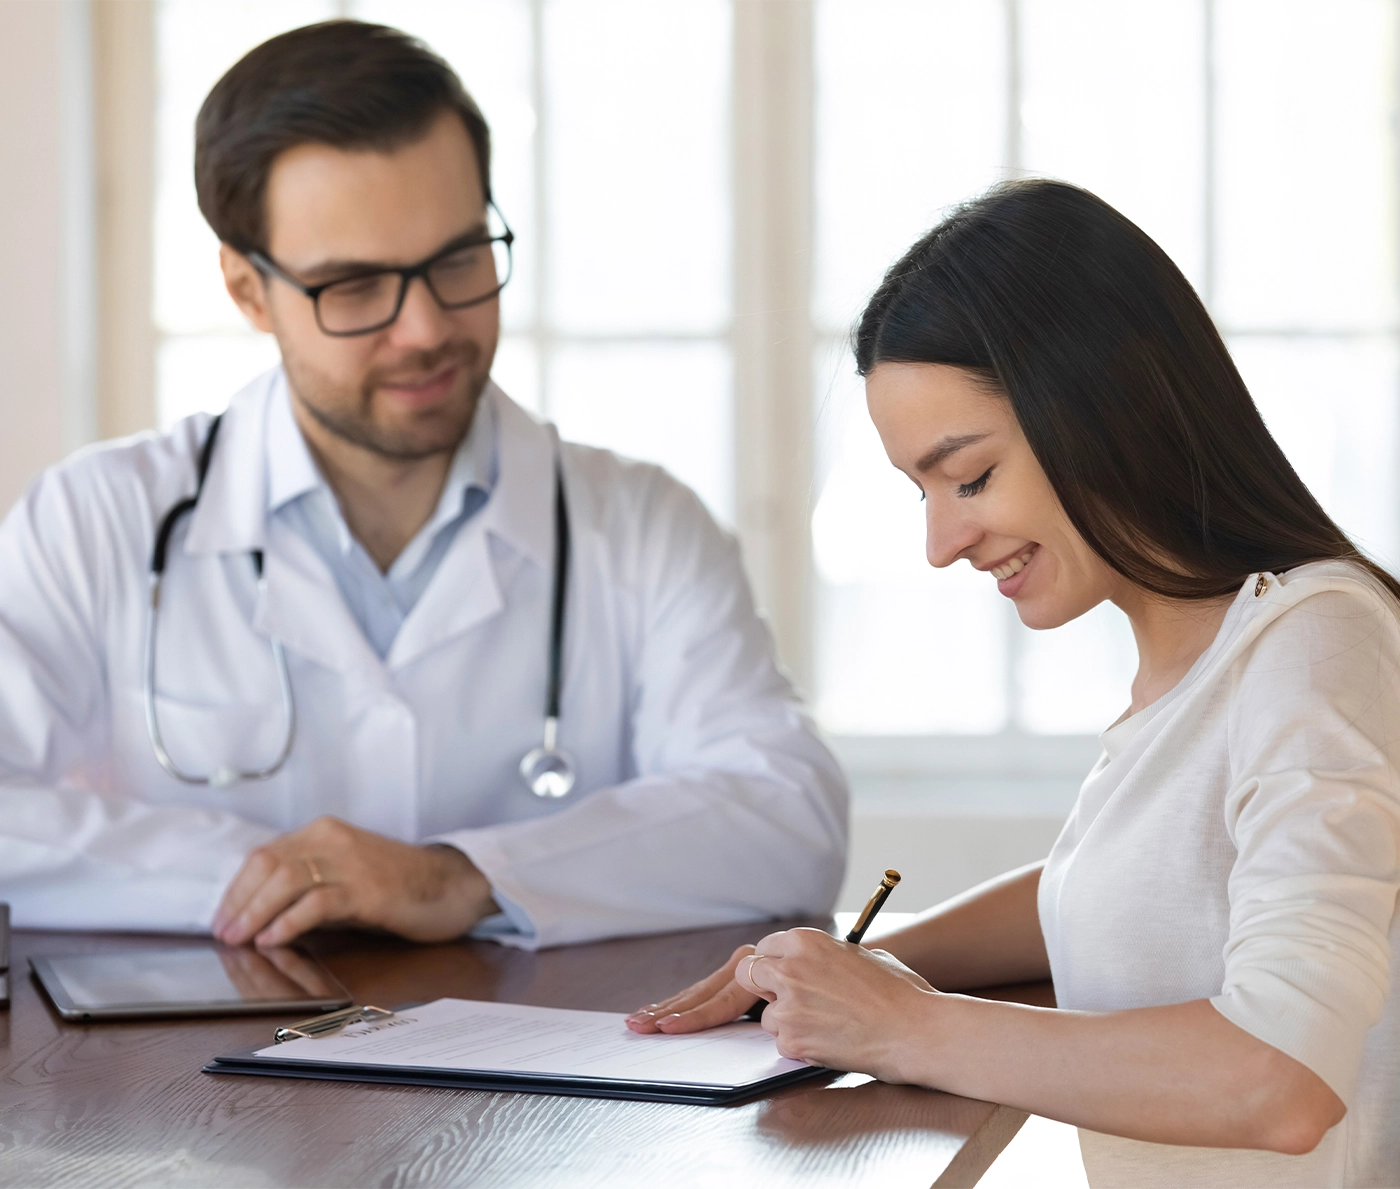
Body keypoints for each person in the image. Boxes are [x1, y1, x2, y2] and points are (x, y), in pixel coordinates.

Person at [0, 20, 846, 951]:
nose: (423, 329)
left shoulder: (636, 525)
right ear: (247, 290)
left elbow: (788, 817)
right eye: (355, 286)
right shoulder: (97, 521)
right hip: (196, 1082)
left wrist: (461, 875)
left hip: (546, 1086)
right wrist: (265, 876)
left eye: (456, 260)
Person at [627, 180, 1400, 1186]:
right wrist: (847, 966)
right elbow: (1135, 882)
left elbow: (1281, 1078)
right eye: (920, 491)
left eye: (969, 476)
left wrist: (907, 1025)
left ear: (1101, 407)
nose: (941, 542)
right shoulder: (1198, 658)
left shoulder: (1315, 640)